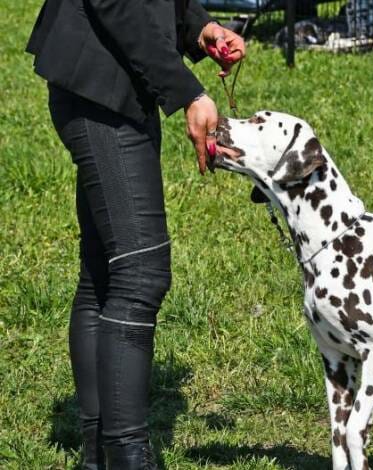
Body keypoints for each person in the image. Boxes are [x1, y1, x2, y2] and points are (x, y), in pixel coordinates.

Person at [26, 1, 244, 468]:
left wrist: (198, 27)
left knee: (106, 273)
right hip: (100, 88)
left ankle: (101, 455)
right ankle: (126, 457)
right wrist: (187, 92)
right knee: (140, 274)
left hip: (116, 81)